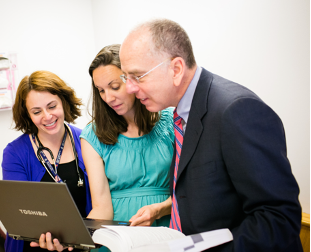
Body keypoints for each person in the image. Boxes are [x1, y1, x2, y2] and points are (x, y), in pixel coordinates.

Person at [119, 19, 303, 251]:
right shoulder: (182, 114)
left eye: (138, 76)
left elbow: (278, 221)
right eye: (127, 77)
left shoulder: (237, 111)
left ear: (176, 69)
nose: (130, 88)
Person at [80, 44, 174, 228]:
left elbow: (190, 192)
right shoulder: (93, 135)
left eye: (115, 87)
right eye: (101, 90)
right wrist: (73, 235)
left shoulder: (172, 122)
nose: (108, 98)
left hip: (169, 228)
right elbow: (102, 208)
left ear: (133, 80)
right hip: (120, 237)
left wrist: (160, 209)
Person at [2, 70, 91, 252]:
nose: (47, 116)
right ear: (27, 114)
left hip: (82, 245)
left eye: (52, 106)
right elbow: (20, 214)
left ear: (63, 103)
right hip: (35, 245)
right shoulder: (15, 153)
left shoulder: (87, 141)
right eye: (36, 111)